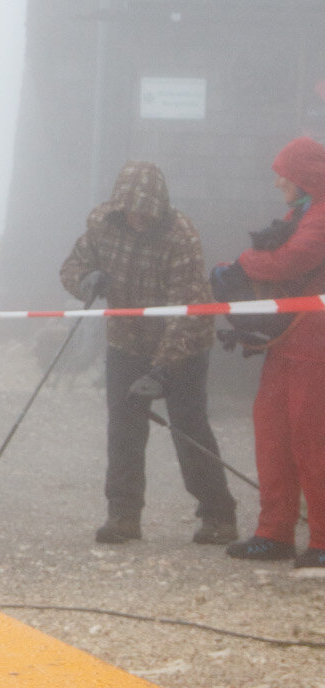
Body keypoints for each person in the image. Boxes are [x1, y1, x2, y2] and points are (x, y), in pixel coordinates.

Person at [58, 160, 236, 547]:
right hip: (126, 342)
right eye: (131, 208)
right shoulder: (103, 224)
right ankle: (123, 516)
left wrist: (161, 371)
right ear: (120, 204)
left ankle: (218, 514)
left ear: (159, 206)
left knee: (188, 428)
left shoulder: (180, 236)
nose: (138, 216)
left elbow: (186, 309)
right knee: (123, 428)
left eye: (146, 210)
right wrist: (85, 281)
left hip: (183, 344)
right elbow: (72, 266)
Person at [211, 136, 325, 570]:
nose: (279, 182)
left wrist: (242, 265)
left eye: (286, 174)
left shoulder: (319, 215)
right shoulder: (302, 212)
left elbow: (295, 258)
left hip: (316, 347)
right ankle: (274, 532)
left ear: (307, 178)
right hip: (290, 342)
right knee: (273, 432)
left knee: (312, 439)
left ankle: (321, 540)